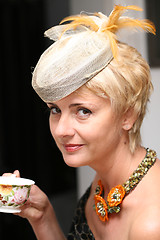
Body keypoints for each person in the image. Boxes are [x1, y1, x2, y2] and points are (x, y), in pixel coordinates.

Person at [4, 4, 160, 240]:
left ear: (128, 115)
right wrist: (43, 217)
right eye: (55, 109)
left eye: (83, 111)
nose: (61, 130)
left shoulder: (150, 224)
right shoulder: (104, 183)